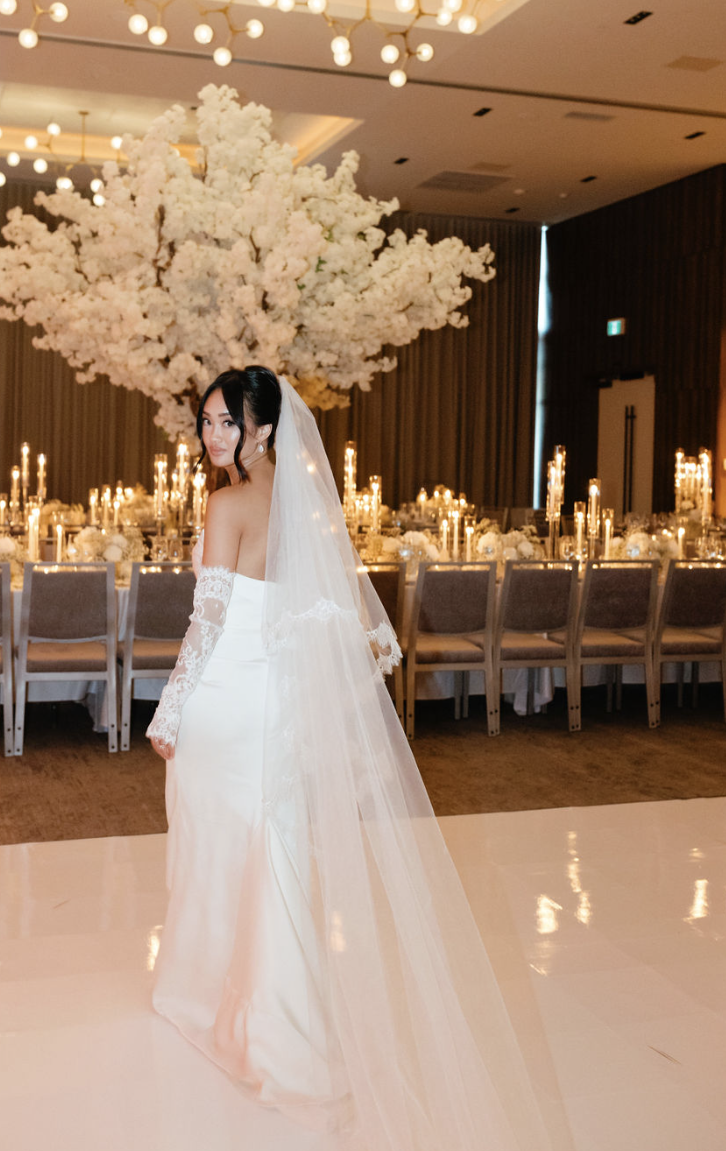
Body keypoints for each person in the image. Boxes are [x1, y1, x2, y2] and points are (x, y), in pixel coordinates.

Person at [147, 366, 552, 1151]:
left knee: (215, 845)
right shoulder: (309, 512)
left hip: (227, 703)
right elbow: (332, 619)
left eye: (227, 422)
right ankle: (278, 1022)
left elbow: (210, 623)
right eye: (206, 421)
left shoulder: (226, 502)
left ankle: (210, 1002)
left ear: (263, 429)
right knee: (274, 855)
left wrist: (170, 711)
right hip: (277, 706)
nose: (213, 434)